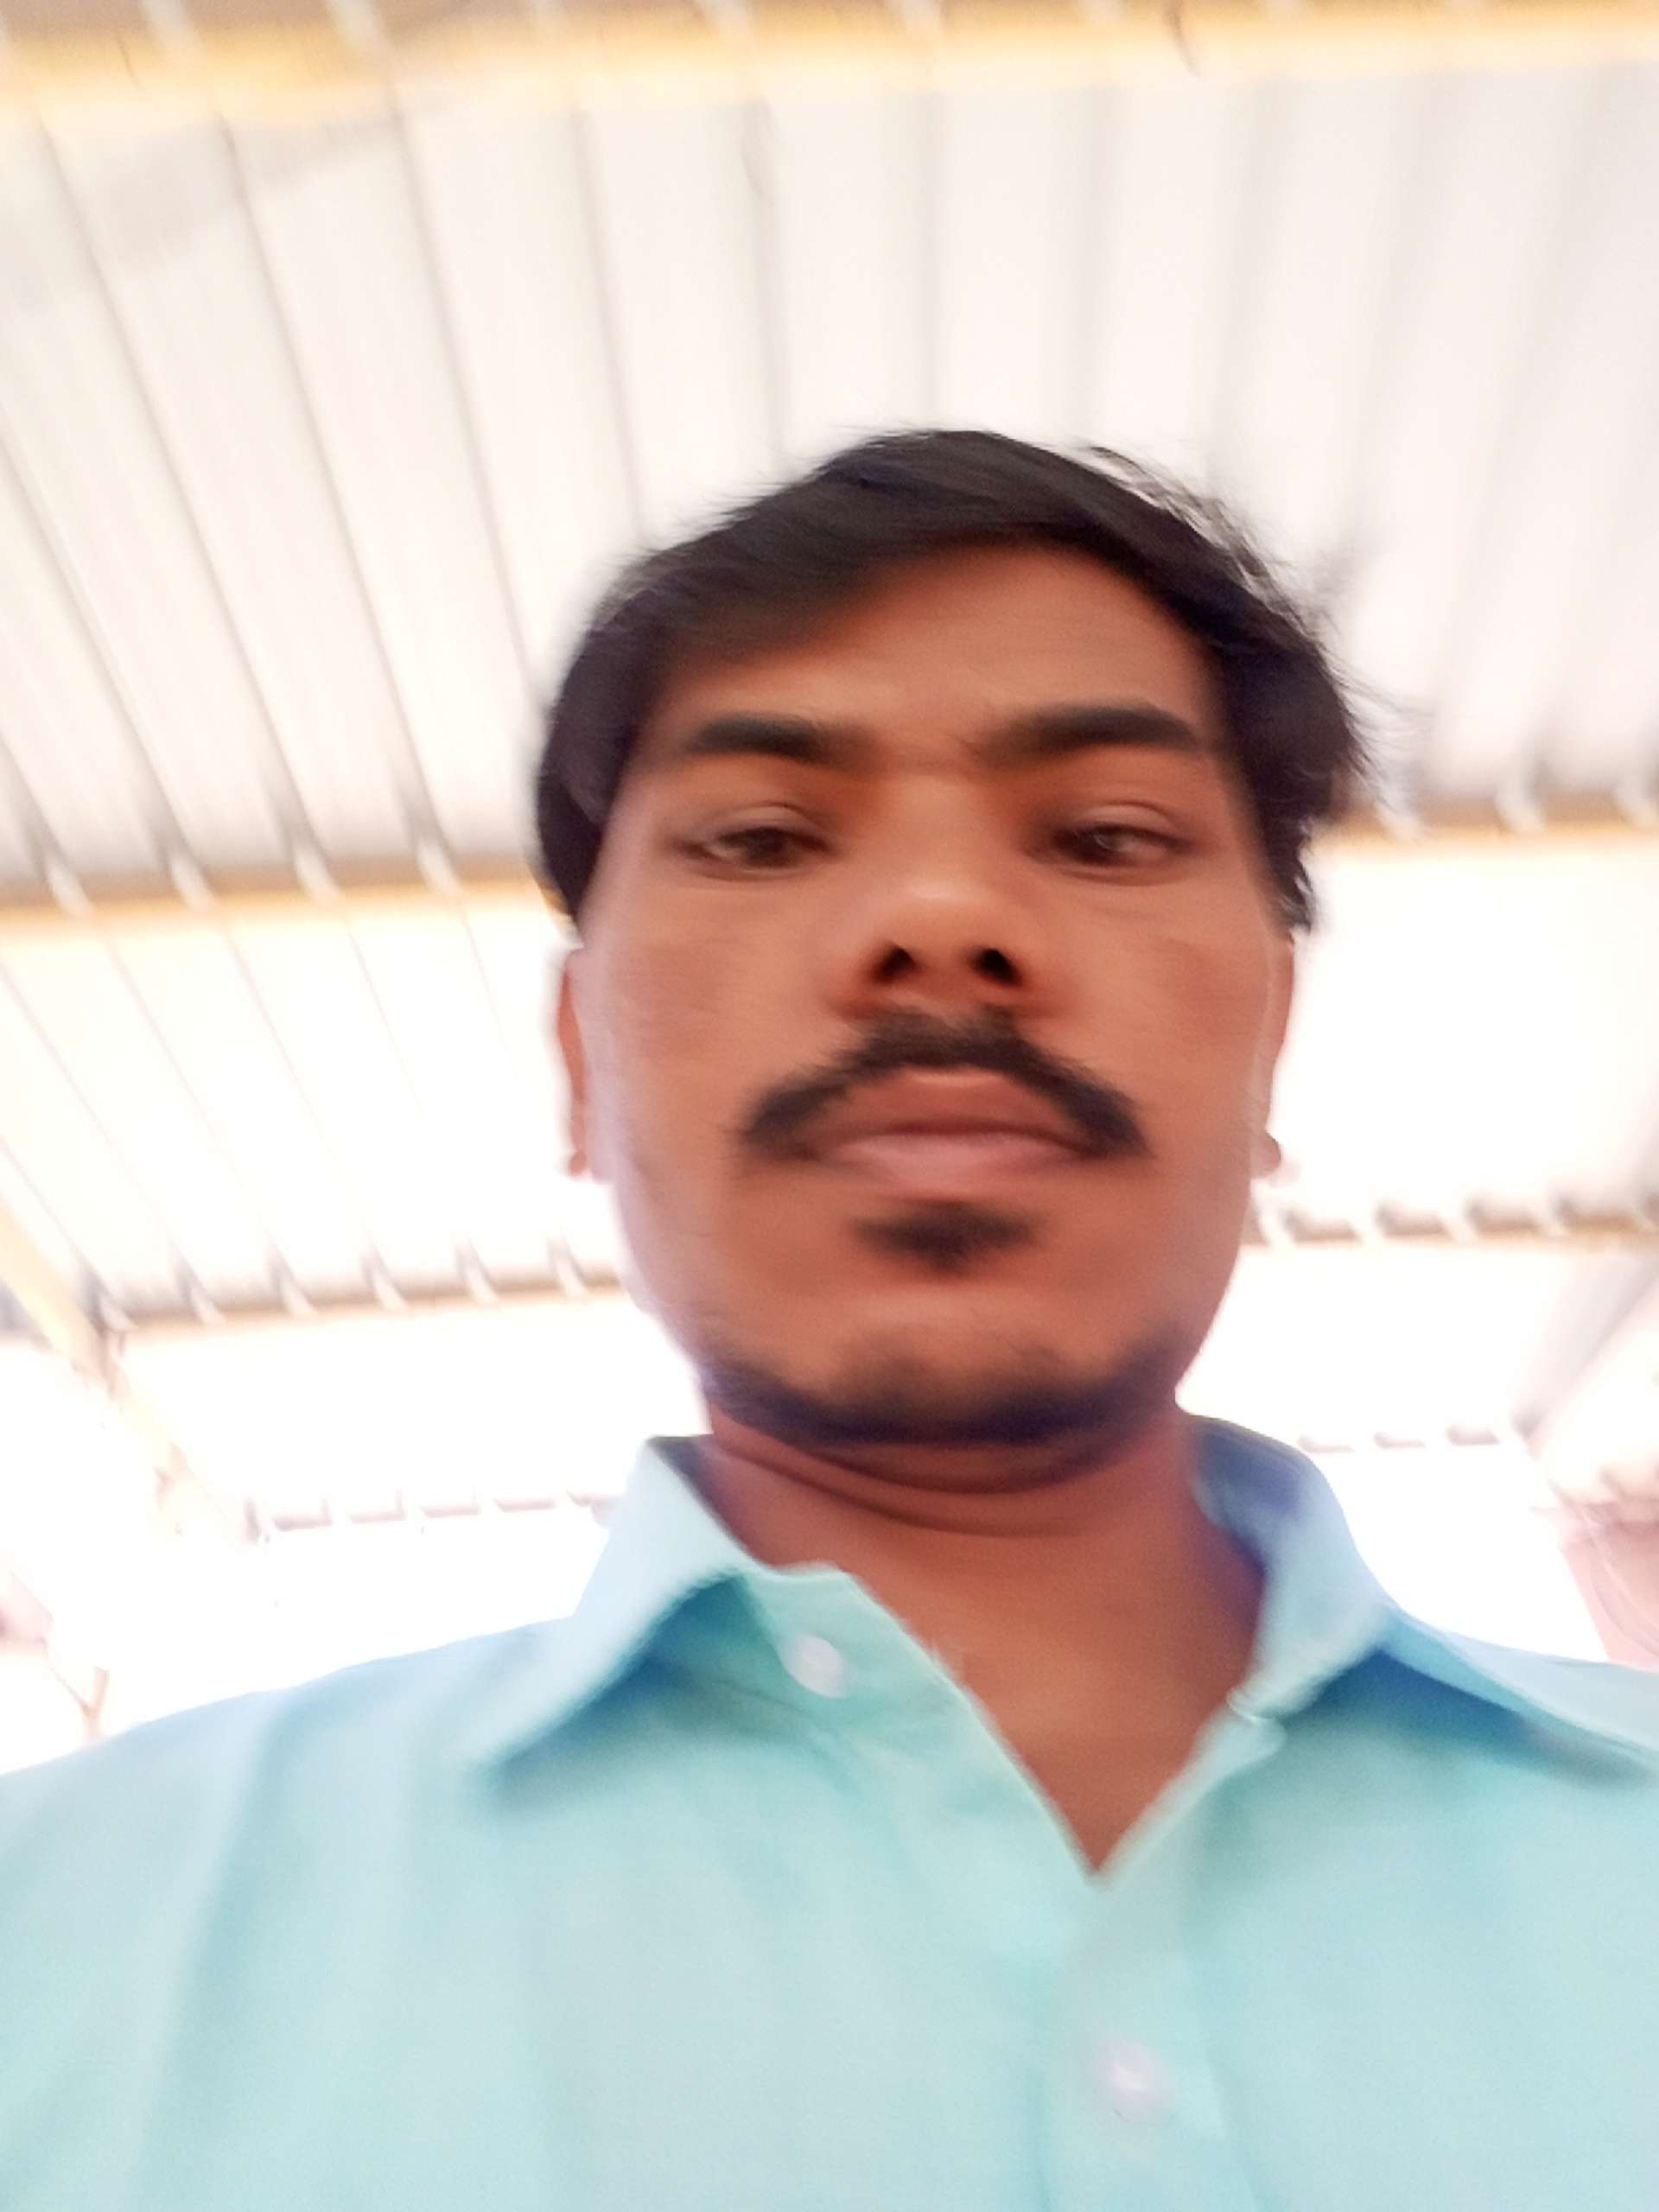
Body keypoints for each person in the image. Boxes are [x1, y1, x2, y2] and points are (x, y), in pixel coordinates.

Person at [2, 431, 1655, 2210]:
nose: (943, 919)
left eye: (1107, 833)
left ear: (1270, 1040)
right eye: (765, 835)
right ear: (582, 1062)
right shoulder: (65, 1933)